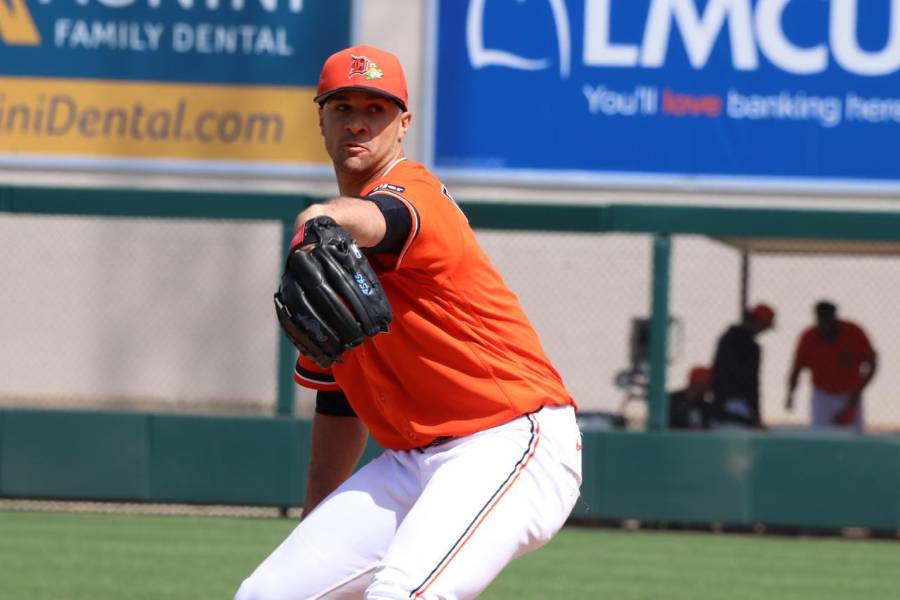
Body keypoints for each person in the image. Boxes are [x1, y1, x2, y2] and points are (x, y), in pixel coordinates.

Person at [235, 45, 582, 600]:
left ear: (403, 123)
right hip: (410, 462)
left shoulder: (415, 194)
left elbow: (381, 219)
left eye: (375, 109)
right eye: (342, 107)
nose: (358, 122)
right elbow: (338, 402)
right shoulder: (324, 268)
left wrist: (317, 218)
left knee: (404, 593)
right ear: (320, 118)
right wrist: (316, 527)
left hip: (508, 438)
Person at [786, 300, 877, 432]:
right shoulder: (808, 338)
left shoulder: (854, 332)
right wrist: (790, 394)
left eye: (829, 320)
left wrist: (859, 390)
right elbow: (797, 369)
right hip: (822, 396)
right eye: (822, 321)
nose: (826, 325)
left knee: (853, 437)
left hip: (850, 395)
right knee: (821, 436)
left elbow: (872, 362)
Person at [709, 303, 775, 429]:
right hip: (738, 403)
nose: (764, 330)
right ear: (756, 321)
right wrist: (755, 413)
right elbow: (751, 382)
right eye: (765, 325)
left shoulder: (727, 338)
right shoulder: (749, 347)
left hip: (723, 400)